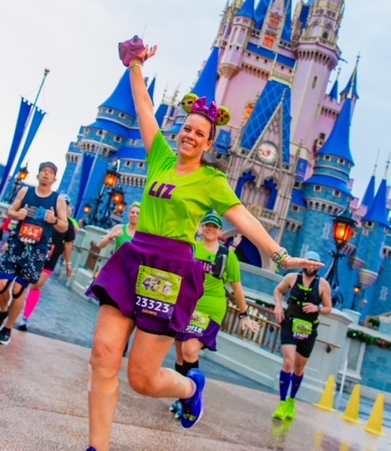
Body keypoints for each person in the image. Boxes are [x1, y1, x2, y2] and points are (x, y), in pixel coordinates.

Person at [84, 36, 323, 451]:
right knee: (104, 355)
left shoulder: (212, 181)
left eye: (200, 133)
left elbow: (244, 219)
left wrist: (281, 257)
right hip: (134, 257)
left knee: (142, 378)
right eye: (187, 128)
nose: (190, 136)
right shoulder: (159, 153)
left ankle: (190, 391)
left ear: (210, 143)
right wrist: (135, 65)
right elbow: (143, 108)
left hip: (169, 270)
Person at [170, 211, 260, 418]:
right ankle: (181, 397)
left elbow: (237, 287)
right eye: (207, 225)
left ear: (219, 231)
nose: (210, 228)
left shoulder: (228, 256)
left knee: (190, 349)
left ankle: (193, 397)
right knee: (181, 354)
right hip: (187, 305)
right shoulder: (192, 249)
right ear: (201, 228)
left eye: (215, 226)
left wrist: (244, 314)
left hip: (211, 308)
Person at [0, 162, 68, 345]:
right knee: (1, 284)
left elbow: (64, 225)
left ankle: (7, 329)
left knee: (18, 289)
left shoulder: (57, 200)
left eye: (50, 173)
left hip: (37, 250)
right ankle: (3, 310)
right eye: (43, 171)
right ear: (38, 175)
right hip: (17, 244)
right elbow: (10, 211)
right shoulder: (25, 192)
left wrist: (54, 220)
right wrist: (17, 214)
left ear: (54, 179)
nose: (46, 174)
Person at [272, 250, 332, 421]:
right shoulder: (292, 278)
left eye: (314, 263)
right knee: (288, 363)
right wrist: (278, 305)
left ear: (318, 267)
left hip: (308, 330)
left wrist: (317, 308)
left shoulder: (323, 285)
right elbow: (278, 290)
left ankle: (291, 400)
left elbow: (329, 308)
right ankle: (282, 402)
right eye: (308, 262)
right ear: (303, 262)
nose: (311, 265)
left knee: (299, 367)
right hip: (290, 324)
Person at [17, 194, 76, 332]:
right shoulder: (44, 215)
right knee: (22, 283)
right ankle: (14, 308)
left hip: (50, 258)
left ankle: (25, 317)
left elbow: (68, 244)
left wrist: (69, 263)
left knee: (37, 285)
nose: (64, 206)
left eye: (67, 204)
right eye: (62, 203)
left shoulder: (68, 225)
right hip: (34, 253)